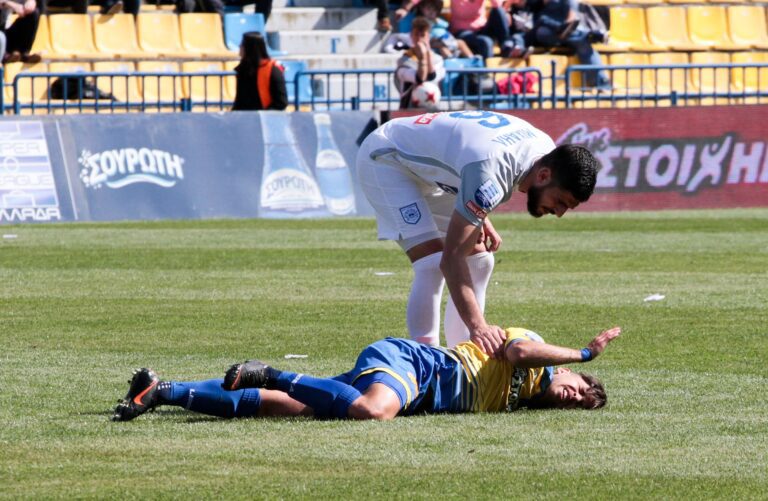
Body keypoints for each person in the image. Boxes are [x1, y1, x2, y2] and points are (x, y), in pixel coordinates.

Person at [356, 111, 599, 353]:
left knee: (480, 261)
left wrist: (479, 213)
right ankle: (427, 360)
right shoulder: (492, 170)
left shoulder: (545, 152)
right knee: (431, 263)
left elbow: (473, 167)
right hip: (387, 160)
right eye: (560, 201)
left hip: (430, 169)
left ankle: (463, 356)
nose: (559, 212)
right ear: (544, 176)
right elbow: (451, 258)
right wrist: (478, 326)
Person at [112, 326, 621, 422]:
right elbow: (518, 350)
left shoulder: (522, 402)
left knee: (292, 409)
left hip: (414, 391)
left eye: (578, 404)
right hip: (415, 365)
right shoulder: (537, 360)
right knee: (374, 412)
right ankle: (271, 372)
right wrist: (583, 355)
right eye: (580, 392)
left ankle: (163, 391)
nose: (573, 398)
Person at [517, 0, 610, 88]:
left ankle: (601, 83)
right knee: (544, 28)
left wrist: (567, 24)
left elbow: (572, 15)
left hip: (567, 33)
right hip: (545, 32)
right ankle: (589, 35)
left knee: (583, 45)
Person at [393, 16, 445, 109]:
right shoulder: (404, 60)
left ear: (428, 36)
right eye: (416, 35)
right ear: (411, 36)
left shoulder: (438, 59)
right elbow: (420, 79)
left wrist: (427, 53)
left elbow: (432, 76)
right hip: (409, 110)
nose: (419, 39)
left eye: (423, 35)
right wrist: (422, 58)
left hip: (432, 110)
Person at [231, 31, 287, 111]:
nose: (240, 46)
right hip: (245, 116)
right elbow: (239, 100)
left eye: (243, 44)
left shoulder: (273, 70)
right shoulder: (242, 69)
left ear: (250, 48)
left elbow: (281, 103)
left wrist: (262, 114)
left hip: (267, 116)